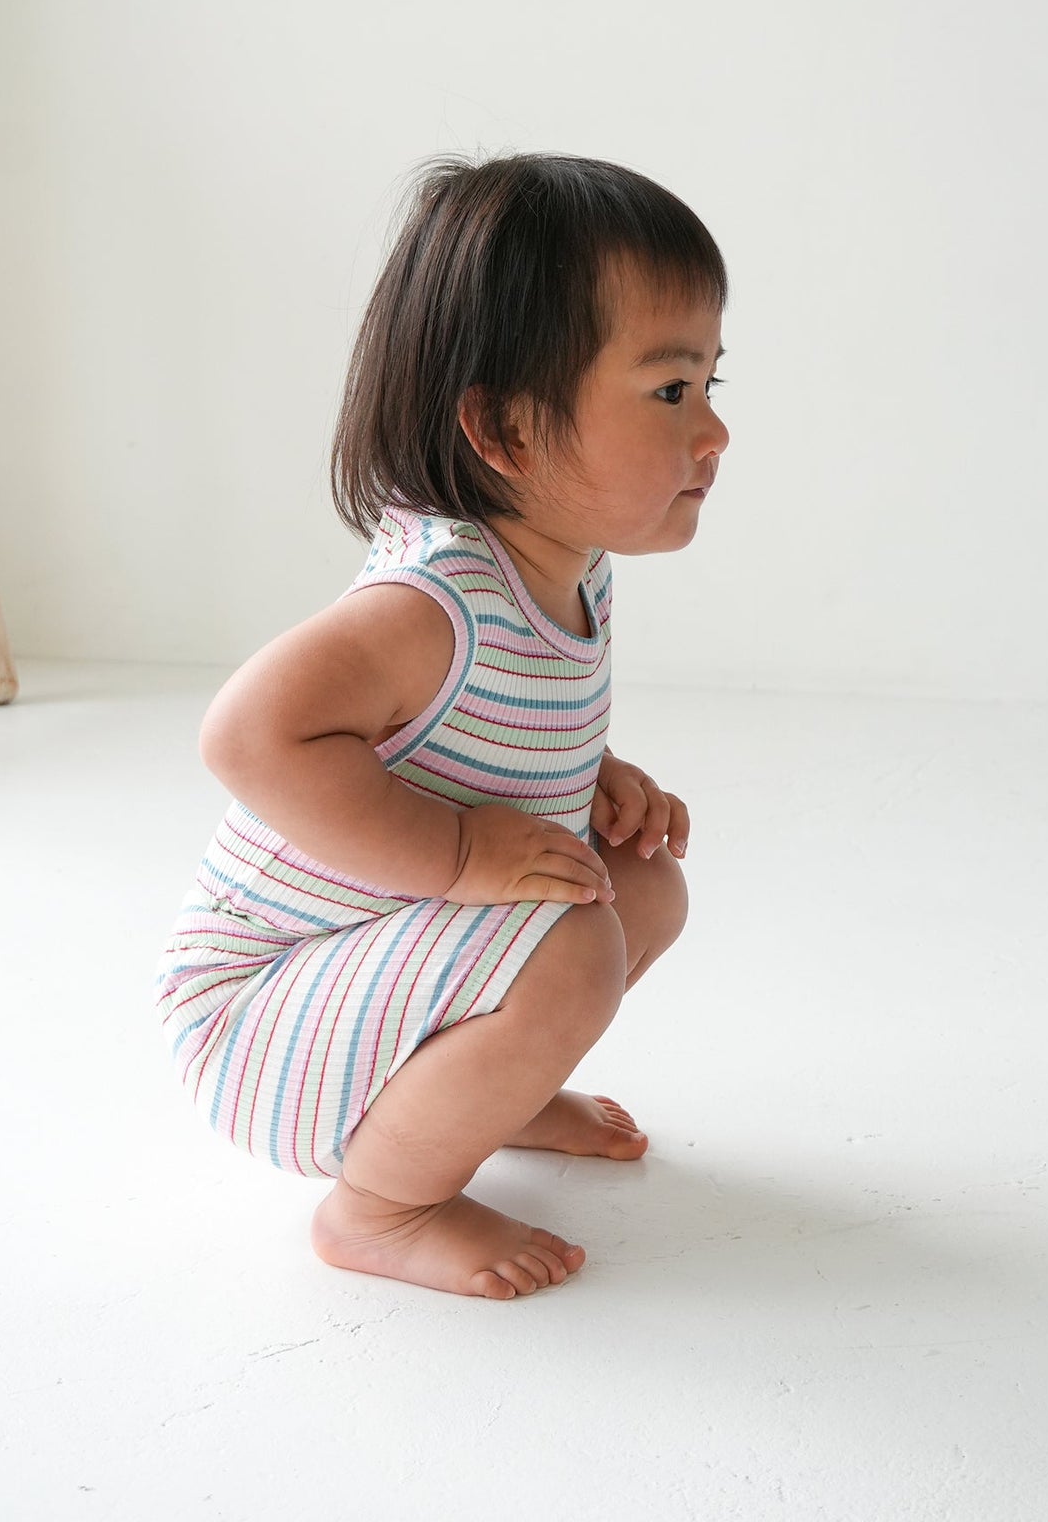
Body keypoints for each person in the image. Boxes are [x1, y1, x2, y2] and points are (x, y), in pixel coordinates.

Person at [153, 150, 730, 1300]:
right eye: (671, 392)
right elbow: (248, 735)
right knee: (573, 945)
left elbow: (483, 730)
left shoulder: (571, 568)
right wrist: (463, 852)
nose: (713, 432)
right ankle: (380, 1208)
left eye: (713, 383)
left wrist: (592, 771)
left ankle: (485, 1098)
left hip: (370, 982)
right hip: (259, 1017)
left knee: (639, 886)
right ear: (506, 429)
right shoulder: (431, 602)